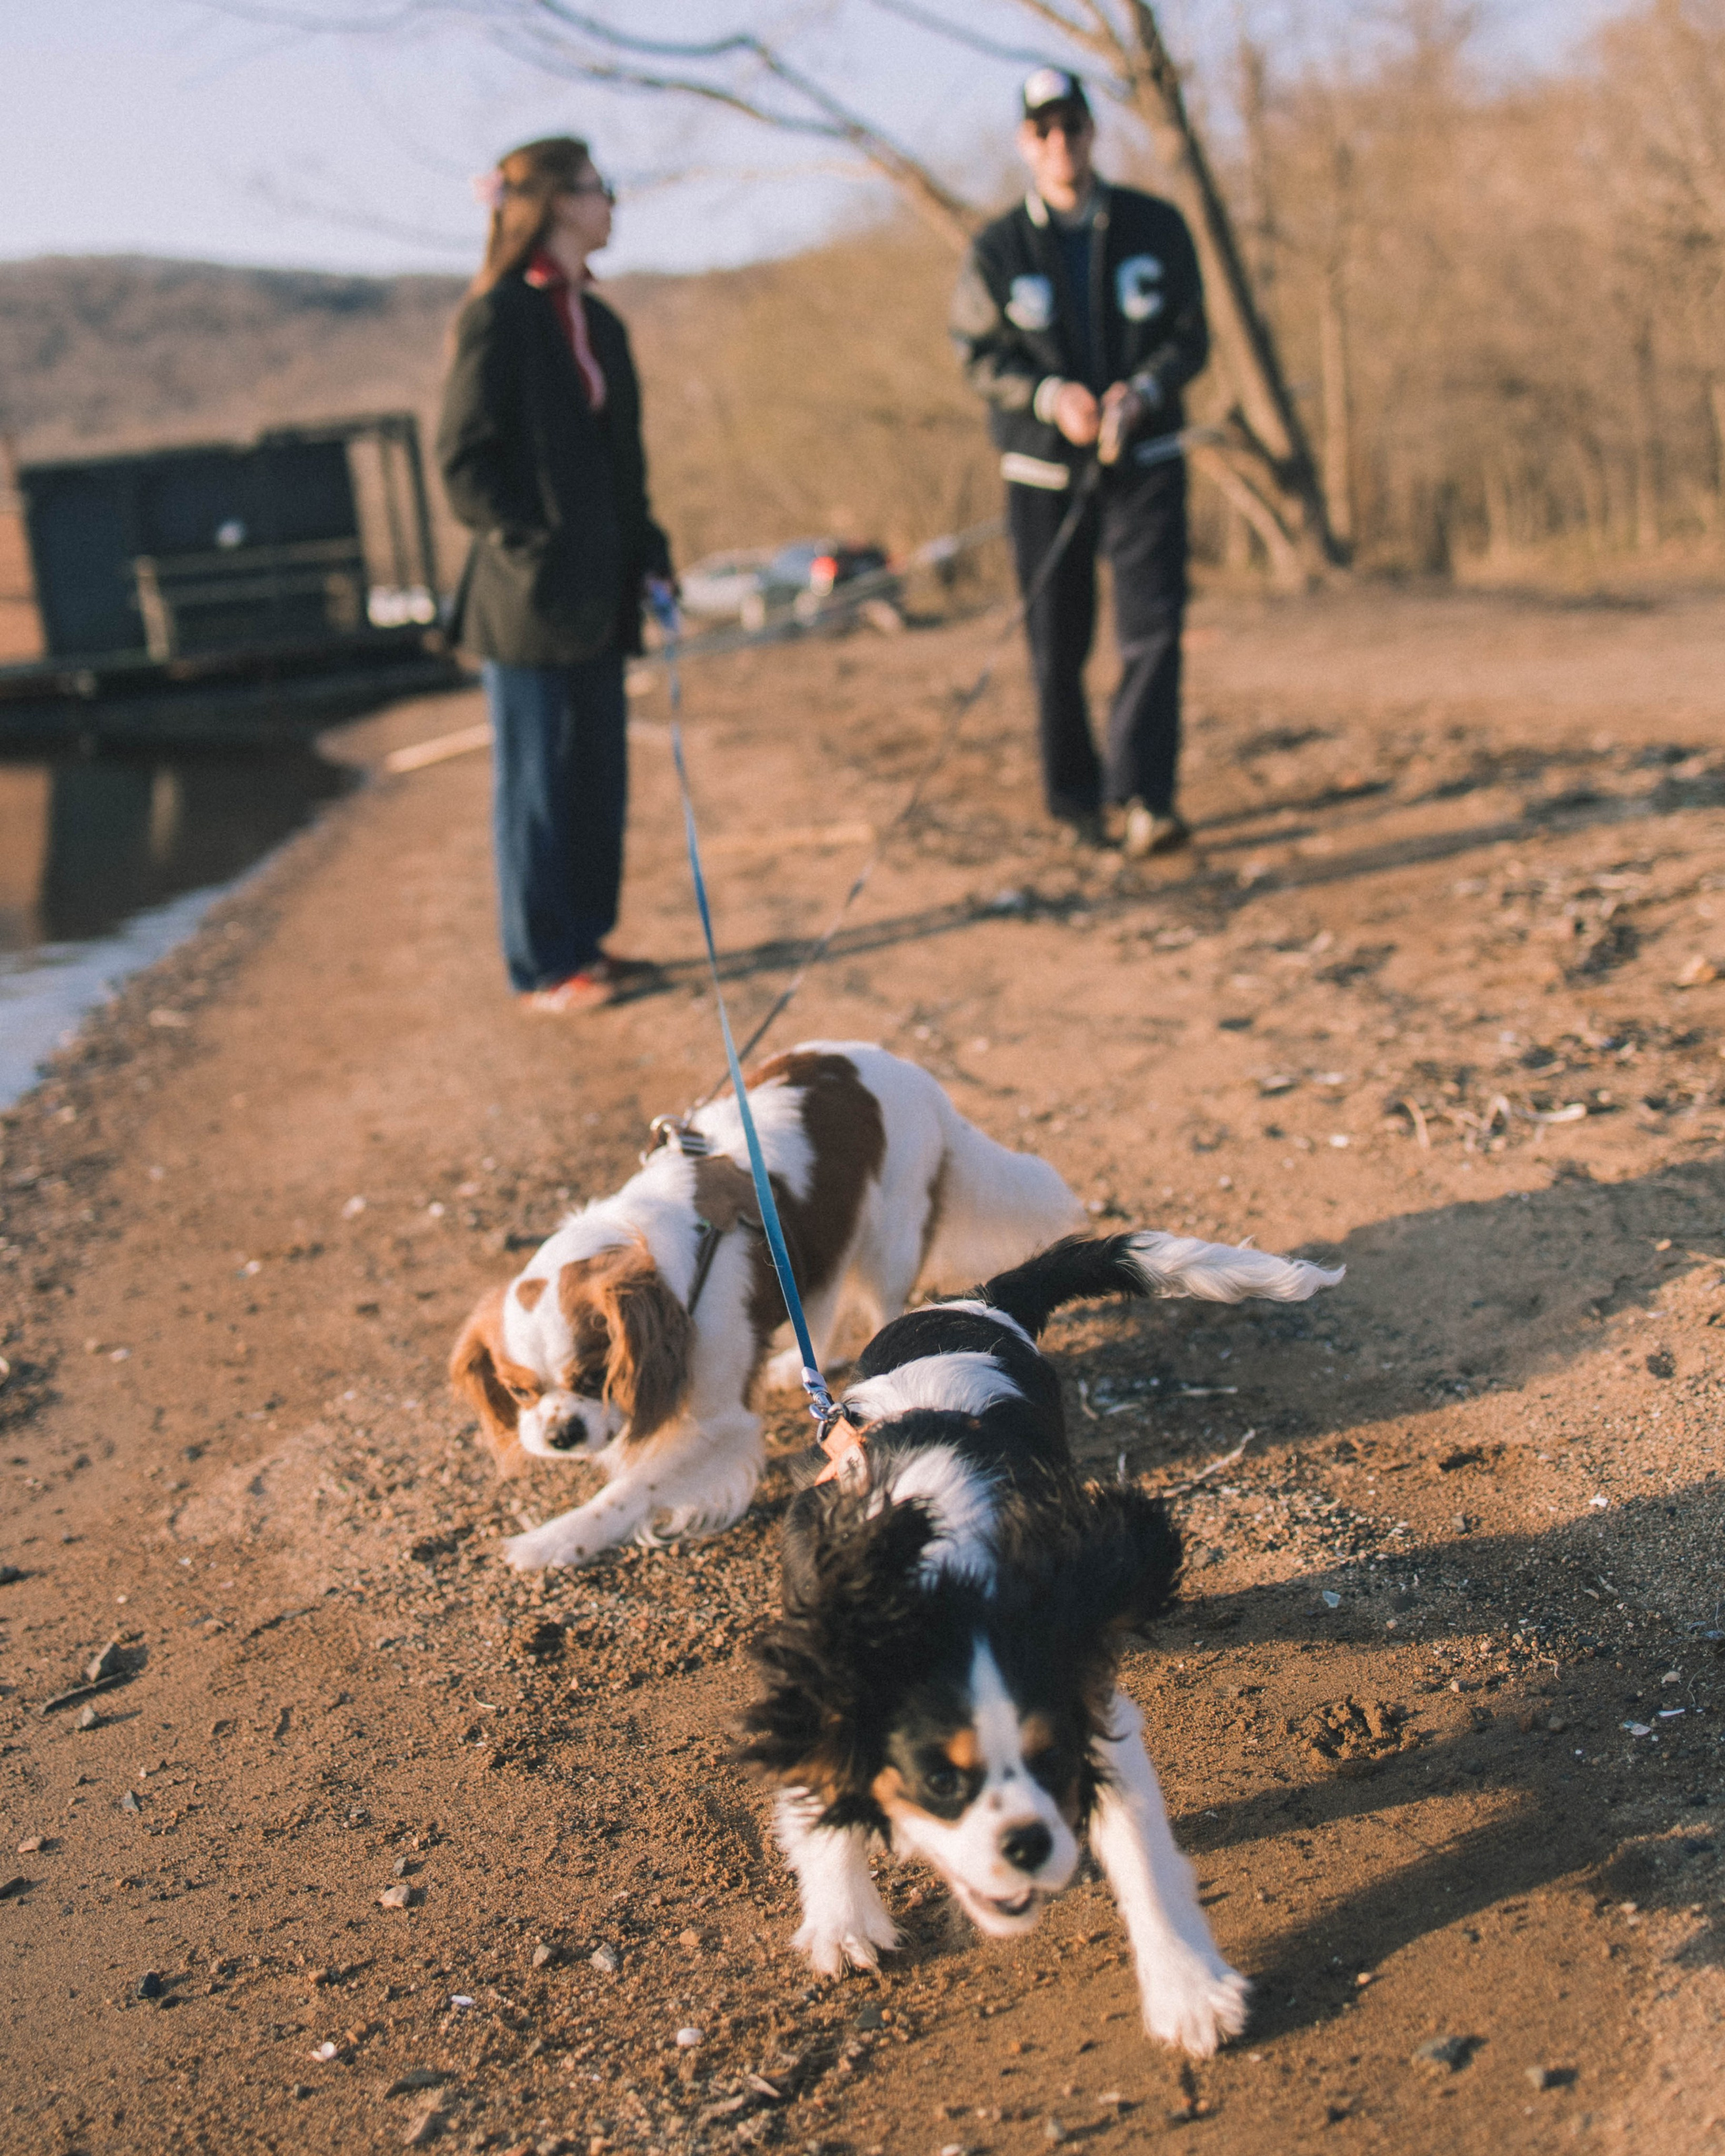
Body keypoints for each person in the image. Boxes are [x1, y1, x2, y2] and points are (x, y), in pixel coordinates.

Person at [438, 135, 673, 1012]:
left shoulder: (602, 325)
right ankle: (542, 968)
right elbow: (463, 463)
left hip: (605, 597)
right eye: (598, 187)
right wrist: (537, 540)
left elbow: (624, 467)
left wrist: (648, 551)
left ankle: (586, 945)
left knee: (596, 780)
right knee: (537, 788)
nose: (611, 202)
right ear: (558, 203)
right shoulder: (498, 315)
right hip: (526, 603)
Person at [950, 69, 1208, 857]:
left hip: (1145, 457)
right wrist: (1049, 397)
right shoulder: (997, 249)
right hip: (1042, 473)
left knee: (1153, 629)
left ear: (1092, 132)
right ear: (1024, 143)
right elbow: (979, 355)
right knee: (1056, 645)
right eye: (1044, 129)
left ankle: (1146, 797)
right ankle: (1075, 801)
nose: (1060, 141)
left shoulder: (1155, 225)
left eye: (1072, 125)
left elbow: (1189, 335)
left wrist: (1144, 391)